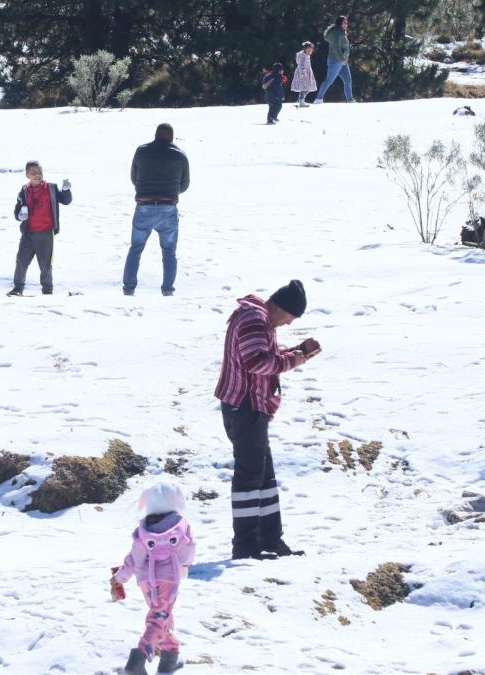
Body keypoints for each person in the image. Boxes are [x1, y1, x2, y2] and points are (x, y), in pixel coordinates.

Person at [214, 280, 320, 560]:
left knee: (263, 475)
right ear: (282, 308)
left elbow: (264, 357)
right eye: (290, 318)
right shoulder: (254, 319)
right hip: (244, 407)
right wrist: (293, 361)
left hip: (250, 407)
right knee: (250, 477)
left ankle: (270, 538)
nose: (287, 324)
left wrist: (298, 352)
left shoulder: (257, 318)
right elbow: (256, 362)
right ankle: (246, 545)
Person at [111, 483, 196, 675]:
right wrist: (184, 566)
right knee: (158, 617)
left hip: (146, 582)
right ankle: (138, 659)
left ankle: (169, 656)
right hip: (168, 579)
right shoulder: (181, 526)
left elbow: (134, 558)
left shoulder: (143, 530)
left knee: (161, 615)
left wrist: (120, 578)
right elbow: (188, 552)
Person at [124, 124, 190, 297]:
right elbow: (185, 184)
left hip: (144, 206)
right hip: (168, 207)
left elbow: (134, 177)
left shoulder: (142, 151)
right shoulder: (180, 155)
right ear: (172, 137)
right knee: (169, 251)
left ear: (155, 135)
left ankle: (129, 289)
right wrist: (171, 191)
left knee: (136, 248)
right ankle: (167, 290)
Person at [8, 161, 72, 297]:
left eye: (39, 172)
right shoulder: (23, 192)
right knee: (21, 260)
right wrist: (21, 215)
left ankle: (47, 291)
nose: (37, 175)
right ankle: (18, 288)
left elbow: (66, 201)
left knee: (46, 265)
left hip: (45, 234)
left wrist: (66, 191)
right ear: (27, 175)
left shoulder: (51, 188)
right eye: (33, 173)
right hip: (28, 234)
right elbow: (17, 213)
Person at [314, 16, 354, 103]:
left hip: (342, 61)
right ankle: (318, 98)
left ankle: (350, 99)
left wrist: (344, 59)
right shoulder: (336, 32)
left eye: (346, 23)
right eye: (344, 23)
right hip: (335, 60)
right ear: (340, 23)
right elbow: (336, 47)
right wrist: (342, 59)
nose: (346, 24)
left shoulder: (342, 32)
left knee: (347, 80)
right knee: (329, 80)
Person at [292, 41, 318, 107]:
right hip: (303, 73)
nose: (310, 51)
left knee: (305, 87)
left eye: (311, 50)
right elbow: (302, 66)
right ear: (304, 49)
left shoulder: (304, 55)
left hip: (305, 72)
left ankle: (301, 100)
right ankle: (301, 101)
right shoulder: (304, 56)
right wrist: (303, 74)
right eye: (308, 49)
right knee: (304, 88)